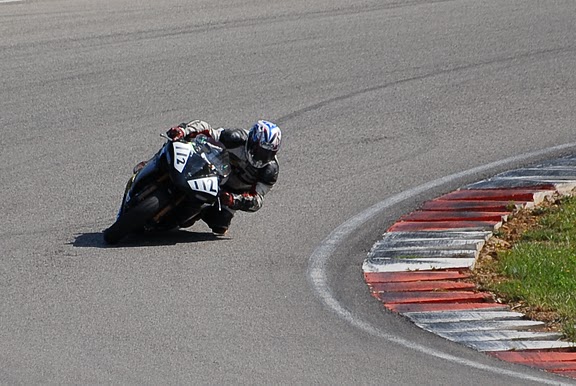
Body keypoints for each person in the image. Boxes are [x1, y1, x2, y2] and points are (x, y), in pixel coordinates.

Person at [165, 119, 281, 235]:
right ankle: (153, 164)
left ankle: (199, 212)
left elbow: (257, 199)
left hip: (231, 192)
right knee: (177, 145)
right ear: (252, 141)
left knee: (220, 225)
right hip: (210, 171)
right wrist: (183, 130)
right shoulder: (235, 138)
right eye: (259, 151)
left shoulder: (270, 171)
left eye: (268, 154)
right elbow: (207, 130)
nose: (261, 157)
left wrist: (234, 200)